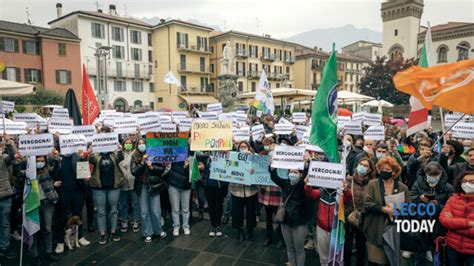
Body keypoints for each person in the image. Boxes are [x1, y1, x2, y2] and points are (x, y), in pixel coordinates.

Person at [362, 156, 410, 266]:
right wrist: (384, 209)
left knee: (390, 260)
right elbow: (367, 204)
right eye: (382, 169)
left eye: (387, 170)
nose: (384, 171)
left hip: (393, 231)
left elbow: (409, 208)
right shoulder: (372, 184)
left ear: (394, 172)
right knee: (373, 261)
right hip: (375, 228)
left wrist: (397, 211)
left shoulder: (403, 187)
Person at [14, 155, 60, 264]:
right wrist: (18, 160)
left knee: (48, 228)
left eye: (42, 160)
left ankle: (48, 251)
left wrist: (53, 154)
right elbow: (16, 173)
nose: (40, 162)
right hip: (32, 203)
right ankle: (34, 255)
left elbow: (57, 165)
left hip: (47, 202)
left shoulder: (47, 170)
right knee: (33, 229)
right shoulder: (28, 172)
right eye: (38, 161)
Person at [410, 162, 454, 265]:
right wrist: (419, 198)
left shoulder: (448, 187)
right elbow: (410, 198)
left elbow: (452, 207)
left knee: (437, 248)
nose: (433, 178)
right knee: (420, 247)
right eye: (430, 175)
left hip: (438, 223)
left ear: (440, 173)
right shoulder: (418, 183)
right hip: (421, 220)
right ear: (425, 174)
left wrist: (438, 205)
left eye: (435, 175)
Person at [305, 168, 352, 266]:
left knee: (337, 258)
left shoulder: (341, 192)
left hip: (337, 229)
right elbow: (311, 194)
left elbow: (349, 198)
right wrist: (307, 184)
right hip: (322, 228)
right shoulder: (321, 191)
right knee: (324, 257)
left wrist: (346, 189)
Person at [53, 136, 90, 253]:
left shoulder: (76, 156)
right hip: (63, 192)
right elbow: (51, 173)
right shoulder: (57, 158)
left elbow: (84, 170)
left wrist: (83, 158)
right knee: (62, 216)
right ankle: (60, 241)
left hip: (77, 191)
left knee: (78, 214)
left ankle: (80, 237)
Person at [88, 138, 125, 245]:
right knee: (101, 211)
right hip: (99, 188)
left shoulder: (113, 154)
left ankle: (113, 231)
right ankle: (103, 233)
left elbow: (120, 158)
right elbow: (91, 160)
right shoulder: (96, 154)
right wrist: (90, 152)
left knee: (114, 210)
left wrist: (119, 150)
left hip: (113, 187)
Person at [132, 139, 167, 243]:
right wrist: (142, 162)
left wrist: (152, 167)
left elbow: (161, 169)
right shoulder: (134, 156)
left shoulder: (155, 153)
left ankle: (158, 230)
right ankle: (147, 233)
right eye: (140, 144)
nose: (142, 145)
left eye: (144, 143)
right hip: (141, 186)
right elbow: (134, 172)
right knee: (144, 212)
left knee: (156, 211)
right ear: (137, 145)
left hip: (154, 185)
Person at [270, 167, 307, 266]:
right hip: (285, 219)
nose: (292, 174)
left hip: (299, 221)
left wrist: (306, 165)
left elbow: (306, 178)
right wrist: (272, 169)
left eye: (295, 172)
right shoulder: (286, 183)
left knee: (299, 249)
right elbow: (275, 178)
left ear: (300, 175)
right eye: (290, 171)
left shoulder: (303, 185)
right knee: (290, 248)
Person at [344, 157, 376, 266]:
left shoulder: (373, 183)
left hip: (364, 219)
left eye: (366, 165)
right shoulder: (348, 180)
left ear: (370, 169)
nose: (362, 167)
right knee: (347, 246)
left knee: (361, 247)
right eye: (361, 164)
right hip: (349, 216)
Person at [439, 171, 474, 266]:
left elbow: (449, 223)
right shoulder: (453, 199)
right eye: (465, 181)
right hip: (452, 247)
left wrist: (453, 226)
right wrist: (469, 224)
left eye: (472, 182)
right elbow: (443, 220)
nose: (467, 184)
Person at [258, 139, 284, 247]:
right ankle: (269, 237)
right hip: (266, 194)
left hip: (277, 195)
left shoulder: (282, 164)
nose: (272, 153)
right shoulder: (264, 161)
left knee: (279, 219)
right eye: (271, 151)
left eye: (274, 150)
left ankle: (280, 239)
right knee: (268, 218)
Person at [231, 141, 258, 241]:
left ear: (249, 147)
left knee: (251, 212)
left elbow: (261, 167)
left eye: (245, 146)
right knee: (237, 212)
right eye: (241, 147)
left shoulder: (254, 156)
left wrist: (253, 157)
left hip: (251, 190)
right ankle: (239, 230)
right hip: (236, 190)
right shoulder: (233, 157)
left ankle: (250, 230)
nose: (243, 148)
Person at [199, 152, 228, 237]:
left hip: (219, 185)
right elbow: (195, 155)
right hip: (208, 185)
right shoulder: (206, 157)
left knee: (218, 205)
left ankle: (218, 225)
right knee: (211, 206)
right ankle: (213, 225)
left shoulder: (223, 156)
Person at [118, 137, 140, 233]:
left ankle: (136, 221)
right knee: (124, 205)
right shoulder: (119, 154)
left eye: (129, 143)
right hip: (123, 184)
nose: (128, 144)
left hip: (133, 183)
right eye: (126, 143)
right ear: (123, 145)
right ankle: (124, 221)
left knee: (135, 203)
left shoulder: (135, 154)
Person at [0, 135, 17, 259]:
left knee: (5, 224)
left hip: (5, 196)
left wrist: (9, 142)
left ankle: (4, 247)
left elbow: (12, 155)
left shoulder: (4, 158)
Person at [167, 156, 192, 236]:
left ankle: (185, 226)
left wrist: (187, 166)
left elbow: (193, 173)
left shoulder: (191, 154)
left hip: (186, 185)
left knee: (185, 208)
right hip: (173, 184)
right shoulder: (173, 153)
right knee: (175, 209)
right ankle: (176, 226)